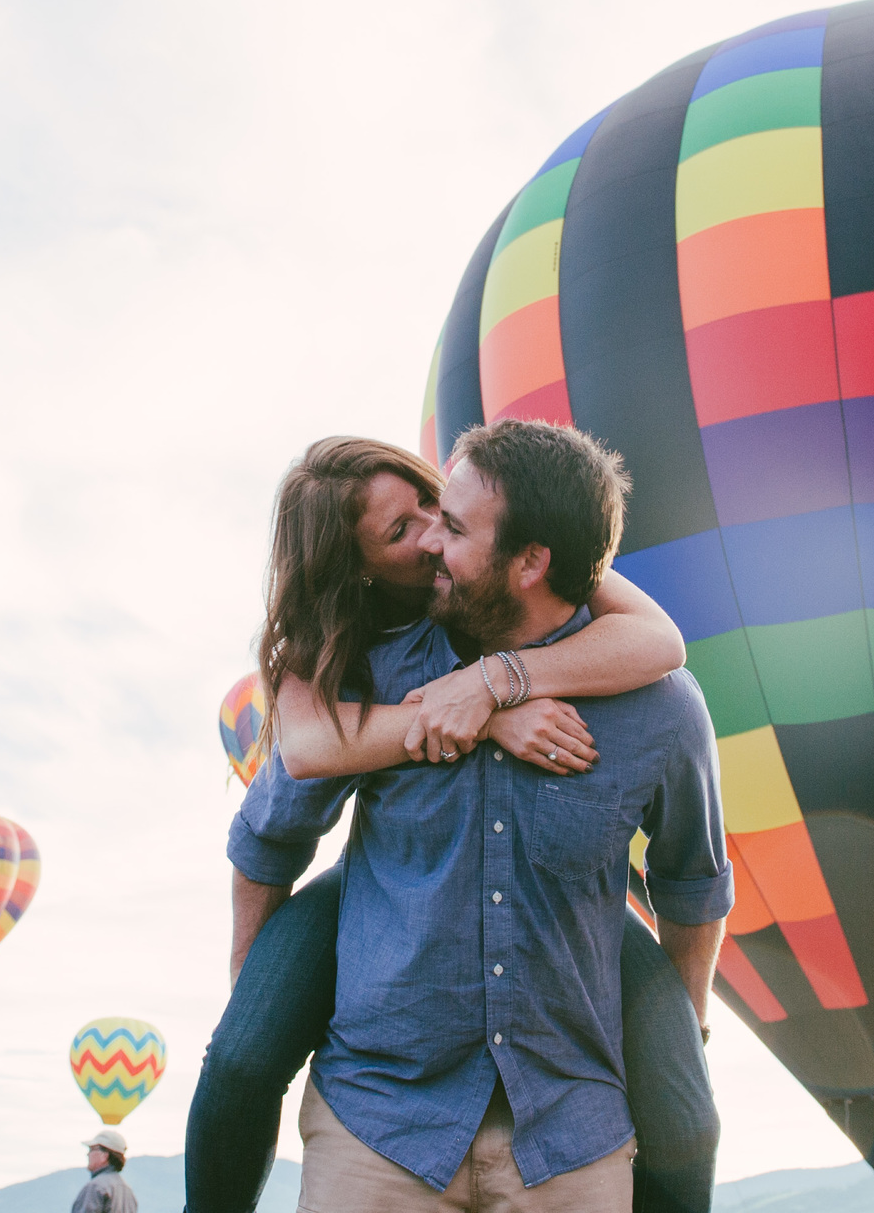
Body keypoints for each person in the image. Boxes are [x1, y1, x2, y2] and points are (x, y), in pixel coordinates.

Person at [183, 435, 720, 1213]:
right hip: (382, 1089)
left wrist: (498, 679)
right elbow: (291, 776)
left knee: (688, 1109)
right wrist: (251, 996)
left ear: (529, 559)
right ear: (361, 564)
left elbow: (663, 647)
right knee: (235, 1062)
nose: (432, 536)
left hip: (570, 1066)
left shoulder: (646, 686)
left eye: (442, 516)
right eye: (404, 532)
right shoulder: (360, 659)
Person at [72, 1130, 137, 1213]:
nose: (88, 1154)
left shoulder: (96, 1187)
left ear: (104, 1155)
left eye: (91, 1149)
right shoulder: (127, 1191)